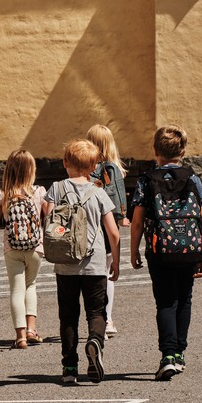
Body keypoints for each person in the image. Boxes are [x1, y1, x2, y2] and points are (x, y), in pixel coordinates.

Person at [129, 125, 202, 381]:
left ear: (154, 150)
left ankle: (167, 355)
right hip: (189, 247)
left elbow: (137, 221)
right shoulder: (192, 178)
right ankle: (179, 353)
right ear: (183, 151)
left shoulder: (146, 180)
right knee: (185, 297)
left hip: (159, 248)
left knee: (165, 300)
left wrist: (134, 251)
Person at [45, 139, 121, 384]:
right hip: (95, 261)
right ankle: (95, 341)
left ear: (66, 162)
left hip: (65, 262)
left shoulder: (56, 189)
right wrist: (116, 262)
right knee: (95, 311)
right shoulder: (99, 193)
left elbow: (47, 220)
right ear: (94, 166)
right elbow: (113, 232)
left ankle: (69, 368)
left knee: (68, 315)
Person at [0, 149, 51, 349]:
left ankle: (20, 336)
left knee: (16, 289)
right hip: (35, 247)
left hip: (11, 248)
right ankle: (32, 329)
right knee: (31, 286)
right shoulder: (39, 191)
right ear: (32, 170)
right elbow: (51, 215)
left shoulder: (3, 194)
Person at [86, 124, 129, 339]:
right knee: (108, 274)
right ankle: (108, 318)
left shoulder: (86, 169)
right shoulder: (114, 169)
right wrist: (123, 216)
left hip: (89, 228)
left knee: (91, 276)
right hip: (108, 227)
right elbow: (120, 196)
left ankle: (94, 319)